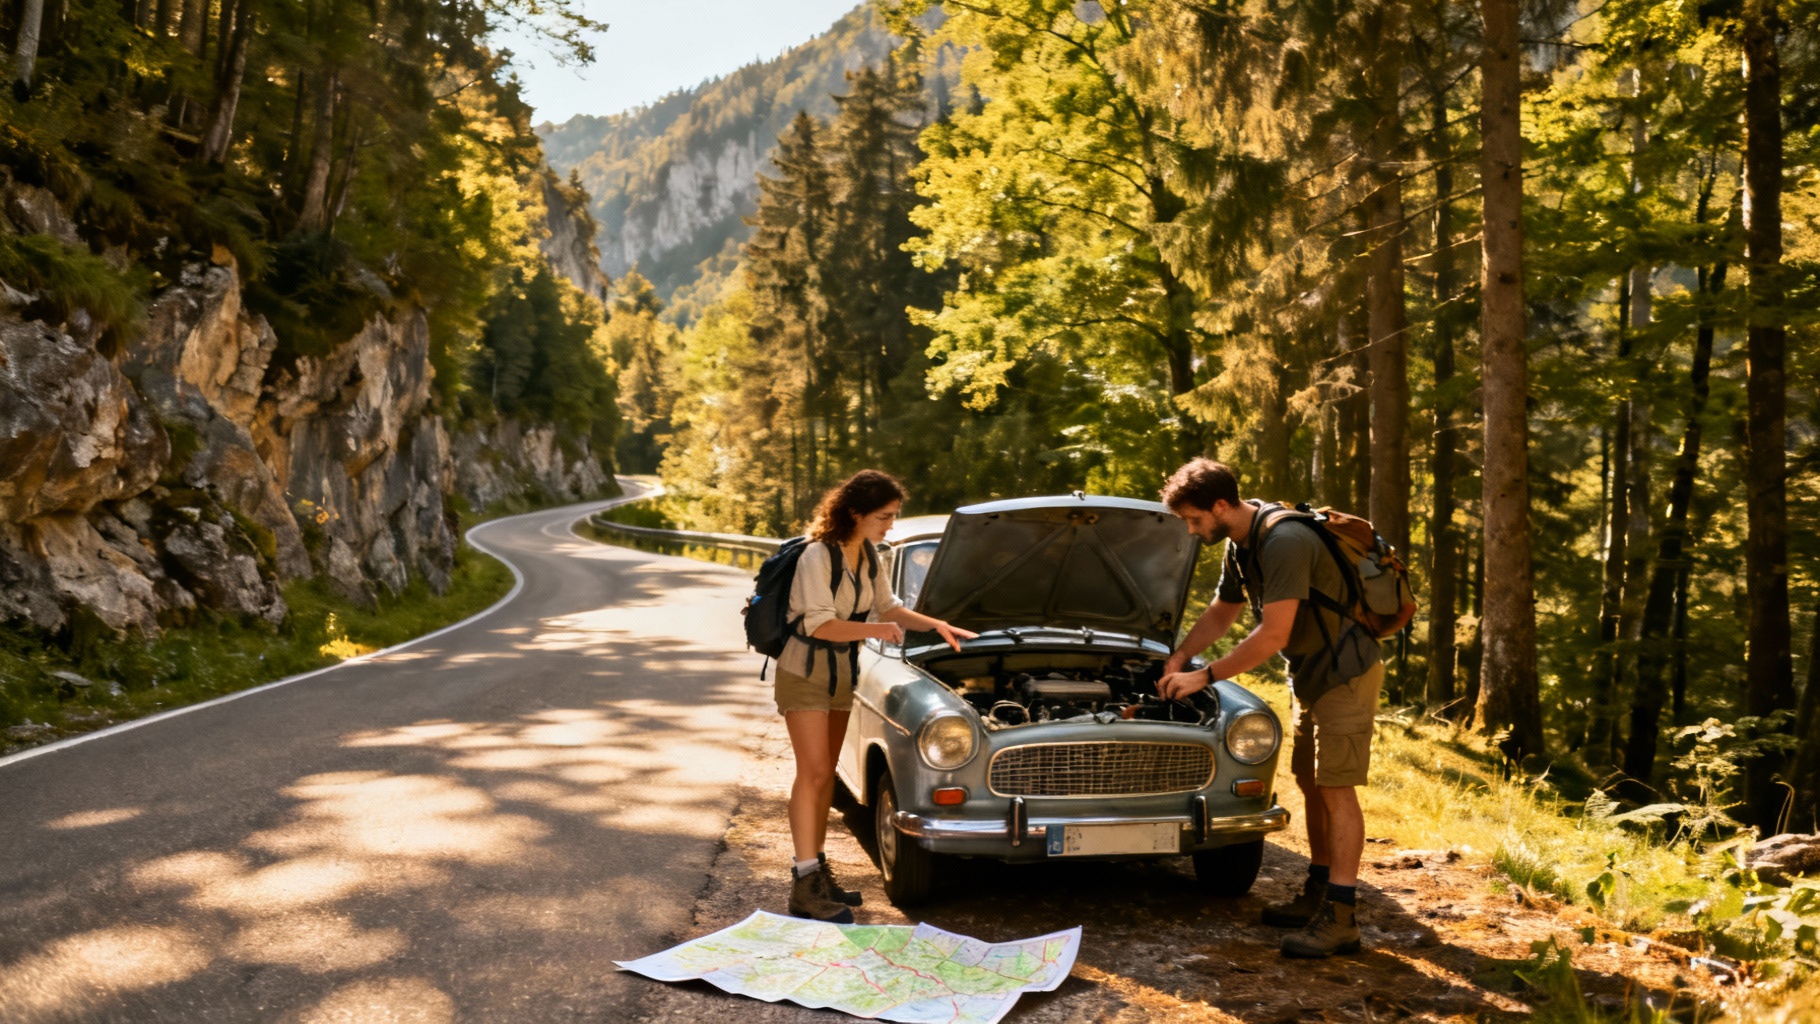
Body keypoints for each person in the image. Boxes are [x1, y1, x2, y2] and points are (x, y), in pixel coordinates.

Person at [1156, 458, 1383, 958]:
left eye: (1195, 520)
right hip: (1309, 672)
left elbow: (1273, 633)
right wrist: (1180, 656)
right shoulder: (1242, 545)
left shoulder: (1284, 541)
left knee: (1336, 788)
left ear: (1221, 505)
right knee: (1310, 781)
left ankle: (1342, 916)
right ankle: (1320, 890)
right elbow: (1223, 610)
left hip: (1345, 672)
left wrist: (1204, 675)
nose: (1193, 530)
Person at [776, 469, 978, 923]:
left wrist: (935, 624)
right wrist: (877, 630)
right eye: (883, 517)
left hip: (841, 672)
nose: (889, 525)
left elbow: (890, 608)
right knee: (811, 775)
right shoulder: (816, 556)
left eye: (893, 517)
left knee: (826, 776)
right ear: (855, 513)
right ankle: (803, 887)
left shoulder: (868, 555)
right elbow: (820, 625)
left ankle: (816, 873)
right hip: (804, 672)